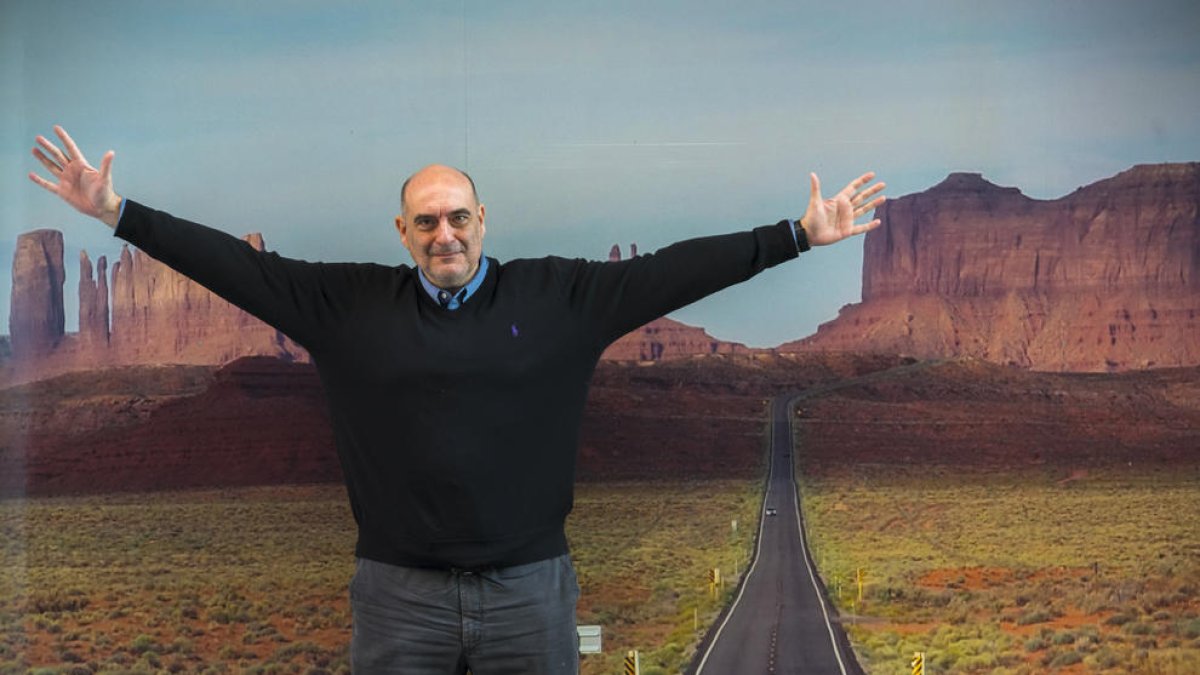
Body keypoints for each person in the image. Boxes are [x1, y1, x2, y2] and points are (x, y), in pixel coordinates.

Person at [29, 125, 885, 674]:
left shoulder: (560, 298)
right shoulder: (347, 305)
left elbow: (673, 268)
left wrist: (799, 235)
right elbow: (235, 267)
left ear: (486, 221)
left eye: (460, 217)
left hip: (530, 594)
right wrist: (114, 211)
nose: (447, 234)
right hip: (399, 599)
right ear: (402, 233)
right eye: (427, 221)